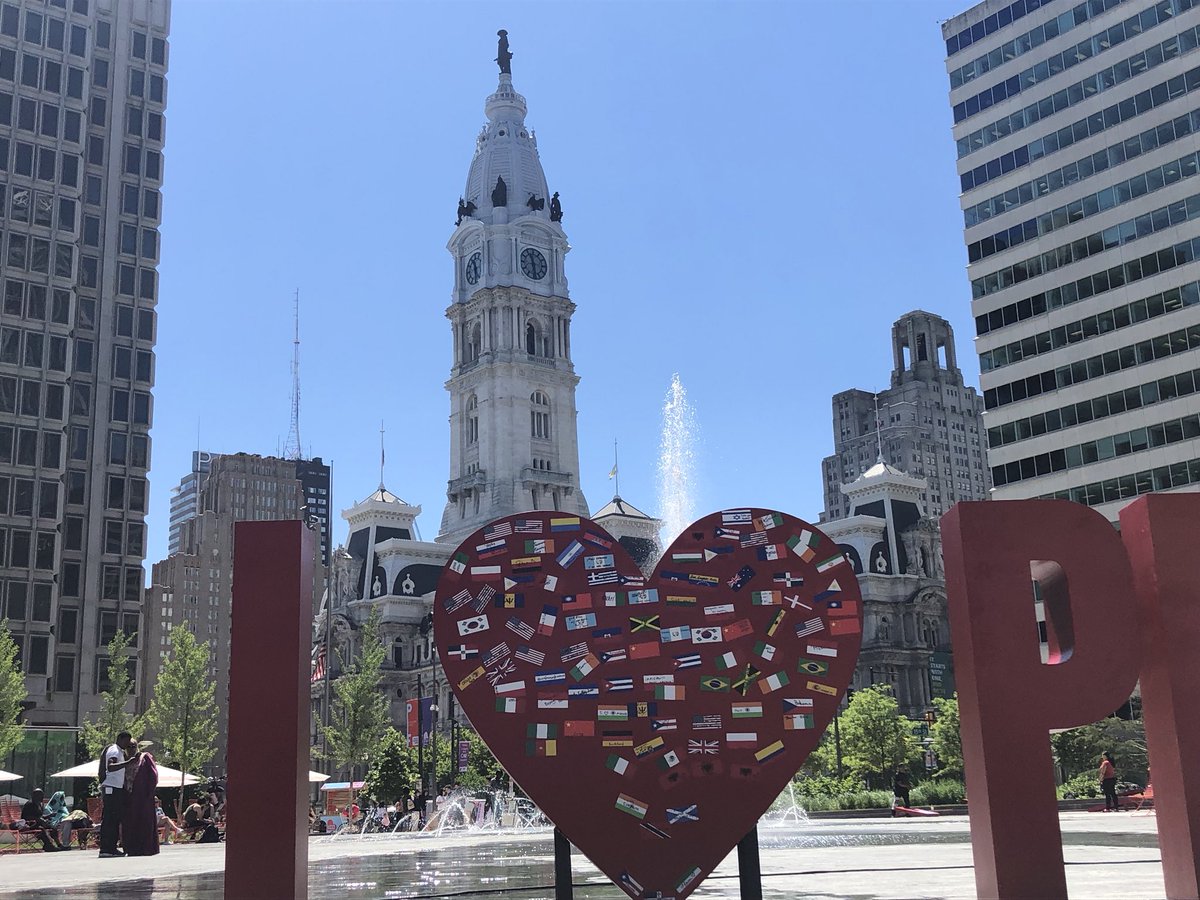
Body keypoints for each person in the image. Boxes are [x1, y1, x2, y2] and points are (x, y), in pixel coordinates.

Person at [99, 730, 139, 858]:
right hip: (111, 789)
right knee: (110, 819)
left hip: (115, 788)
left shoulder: (118, 751)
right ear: (121, 739)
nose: (128, 745)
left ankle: (111, 847)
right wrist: (128, 763)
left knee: (114, 819)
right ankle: (106, 848)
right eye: (127, 741)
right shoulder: (115, 750)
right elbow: (110, 766)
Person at [121, 749, 159, 856]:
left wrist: (149, 792)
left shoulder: (145, 758)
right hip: (128, 797)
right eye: (129, 746)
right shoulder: (123, 759)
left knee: (144, 822)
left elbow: (153, 775)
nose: (131, 748)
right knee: (129, 823)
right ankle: (131, 848)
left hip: (143, 798)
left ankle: (146, 848)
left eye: (133, 746)